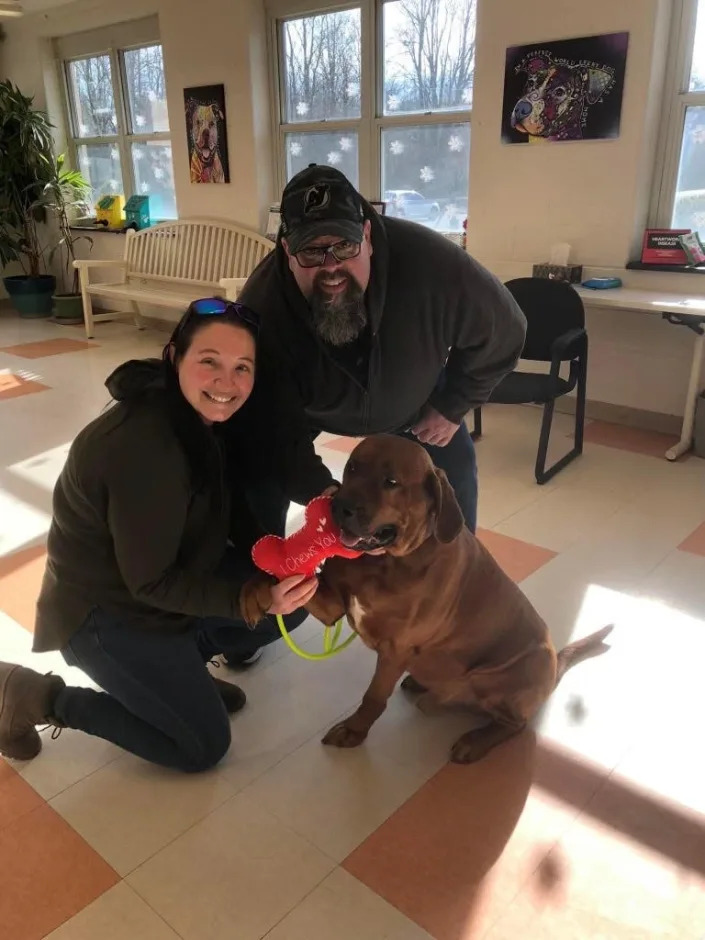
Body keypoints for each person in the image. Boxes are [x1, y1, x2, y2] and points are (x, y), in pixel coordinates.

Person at [0, 299, 323, 773]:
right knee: (201, 748)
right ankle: (37, 696)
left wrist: (277, 559)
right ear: (174, 358)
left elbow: (227, 509)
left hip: (162, 588)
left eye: (242, 368)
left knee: (290, 611)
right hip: (107, 615)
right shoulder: (145, 448)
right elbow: (150, 583)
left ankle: (175, 674)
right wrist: (255, 596)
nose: (226, 384)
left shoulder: (198, 415)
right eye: (209, 362)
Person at [239, 165, 527, 535]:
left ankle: (455, 580)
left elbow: (506, 329)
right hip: (307, 410)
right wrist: (321, 492)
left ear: (368, 234)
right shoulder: (263, 307)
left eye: (345, 245)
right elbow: (271, 429)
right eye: (311, 252)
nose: (332, 267)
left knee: (453, 480)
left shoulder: (432, 264)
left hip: (418, 400)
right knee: (258, 476)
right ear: (286, 251)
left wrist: (454, 402)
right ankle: (262, 578)